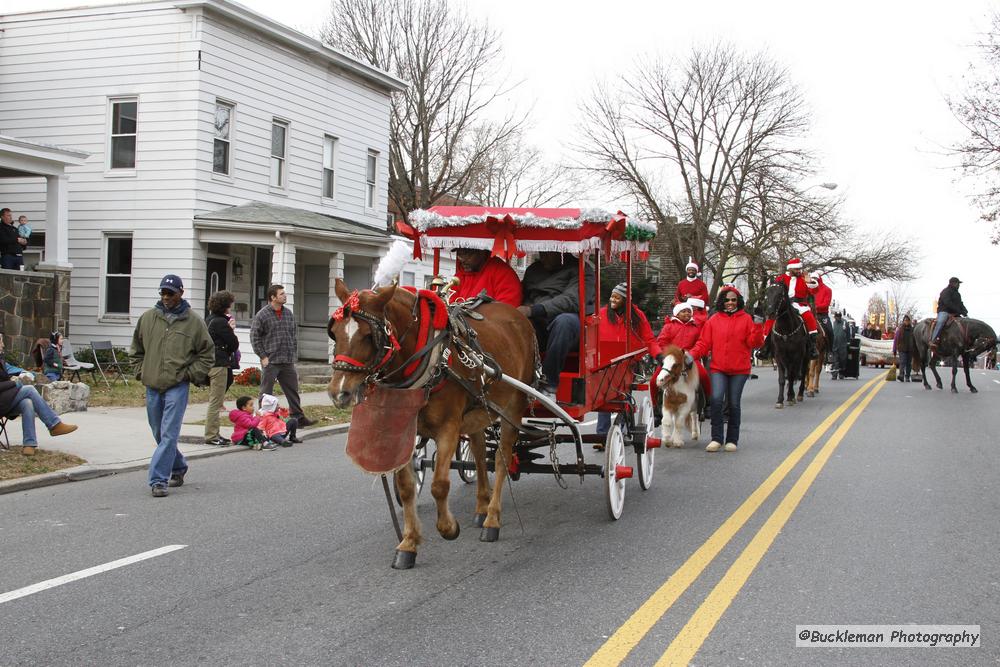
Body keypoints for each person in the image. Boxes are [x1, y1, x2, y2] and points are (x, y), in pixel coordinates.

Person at [131, 274, 214, 497]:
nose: (166, 297)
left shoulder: (194, 322)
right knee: (159, 432)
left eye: (171, 293)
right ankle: (178, 466)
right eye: (163, 293)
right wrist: (141, 371)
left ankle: (158, 480)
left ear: (181, 293)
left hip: (177, 385)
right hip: (152, 384)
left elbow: (207, 353)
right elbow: (136, 350)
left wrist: (189, 374)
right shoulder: (148, 318)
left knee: (169, 433)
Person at [687, 285, 764, 453]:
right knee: (715, 399)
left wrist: (758, 326)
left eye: (733, 300)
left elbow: (755, 343)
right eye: (727, 300)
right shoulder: (713, 320)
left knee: (733, 403)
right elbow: (703, 343)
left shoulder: (746, 319)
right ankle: (716, 438)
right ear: (722, 301)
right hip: (718, 368)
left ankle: (732, 440)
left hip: (739, 369)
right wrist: (691, 355)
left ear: (738, 301)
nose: (730, 303)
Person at [517, 252, 595, 395]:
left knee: (564, 322)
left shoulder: (582, 270)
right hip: (538, 322)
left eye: (547, 254)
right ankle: (515, 377)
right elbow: (521, 294)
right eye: (541, 253)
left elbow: (572, 300)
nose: (542, 257)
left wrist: (534, 310)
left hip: (569, 324)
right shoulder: (533, 270)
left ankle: (549, 383)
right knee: (515, 324)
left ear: (561, 253)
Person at [595, 282, 662, 437]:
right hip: (605, 362)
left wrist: (658, 355)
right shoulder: (602, 314)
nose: (613, 299)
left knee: (624, 395)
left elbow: (649, 339)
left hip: (628, 362)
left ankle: (622, 428)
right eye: (612, 296)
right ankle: (602, 433)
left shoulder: (637, 316)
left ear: (625, 300)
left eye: (617, 297)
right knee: (603, 397)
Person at [0, 331, 77, 456]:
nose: (3, 345)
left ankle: (29, 444)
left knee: (27, 403)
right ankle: (54, 425)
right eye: (1, 342)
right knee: (29, 390)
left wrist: (28, 373)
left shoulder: (1, 360)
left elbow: (12, 369)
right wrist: (16, 384)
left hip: (5, 400)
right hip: (2, 401)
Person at [250, 284, 313, 426]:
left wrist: (293, 354)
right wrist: (263, 356)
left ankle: (298, 417)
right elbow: (255, 337)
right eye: (281, 294)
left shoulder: (288, 314)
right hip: (271, 360)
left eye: (284, 293)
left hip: (287, 360)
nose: (285, 296)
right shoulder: (262, 315)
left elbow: (293, 335)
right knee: (266, 392)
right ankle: (264, 419)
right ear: (273, 297)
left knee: (293, 389)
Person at [651, 301, 710, 425]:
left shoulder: (696, 327)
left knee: (704, 376)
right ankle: (656, 409)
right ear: (677, 314)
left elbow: (700, 343)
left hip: (689, 358)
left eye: (689, 311)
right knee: (654, 380)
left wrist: (692, 355)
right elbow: (662, 342)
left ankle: (708, 404)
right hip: (671, 358)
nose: (687, 313)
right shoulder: (669, 326)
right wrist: (666, 356)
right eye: (683, 311)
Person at [762, 258, 821, 359]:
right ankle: (765, 347)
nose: (799, 271)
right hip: (783, 304)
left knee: (809, 318)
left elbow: (814, 291)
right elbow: (774, 292)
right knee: (771, 320)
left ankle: (812, 346)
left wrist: (810, 282)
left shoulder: (804, 279)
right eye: (796, 269)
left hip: (799, 304)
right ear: (790, 269)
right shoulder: (781, 278)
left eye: (799, 269)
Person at [204, 290, 239, 446]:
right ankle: (212, 435)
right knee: (216, 402)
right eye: (230, 305)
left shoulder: (209, 319)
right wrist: (231, 329)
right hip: (219, 364)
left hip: (209, 362)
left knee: (216, 400)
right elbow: (233, 344)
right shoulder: (221, 322)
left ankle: (215, 433)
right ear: (226, 305)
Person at [449, 248, 523, 307]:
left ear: (482, 251)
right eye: (459, 254)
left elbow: (506, 311)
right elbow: (450, 301)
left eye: (467, 254)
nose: (462, 259)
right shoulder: (460, 275)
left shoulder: (504, 273)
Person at [929, 277, 968, 352]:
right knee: (941, 321)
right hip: (944, 311)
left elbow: (960, 303)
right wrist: (958, 310)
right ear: (953, 283)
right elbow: (948, 303)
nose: (959, 285)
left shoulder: (957, 294)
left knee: (964, 323)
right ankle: (932, 340)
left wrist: (964, 311)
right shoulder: (945, 292)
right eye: (958, 283)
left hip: (955, 313)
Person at [893, 315, 915, 382]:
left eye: (908, 321)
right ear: (903, 321)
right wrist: (894, 349)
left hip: (910, 349)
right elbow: (895, 340)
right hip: (902, 349)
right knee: (902, 362)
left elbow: (915, 340)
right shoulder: (900, 330)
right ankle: (901, 375)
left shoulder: (912, 330)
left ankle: (907, 376)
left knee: (908, 363)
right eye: (905, 321)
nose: (906, 322)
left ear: (909, 322)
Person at [829, 312, 850, 380]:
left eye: (838, 316)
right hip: (835, 344)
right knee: (835, 360)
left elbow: (848, 333)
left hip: (843, 345)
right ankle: (834, 375)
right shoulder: (833, 323)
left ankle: (841, 373)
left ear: (840, 316)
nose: (837, 318)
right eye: (836, 316)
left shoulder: (845, 323)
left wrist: (848, 342)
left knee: (842, 360)